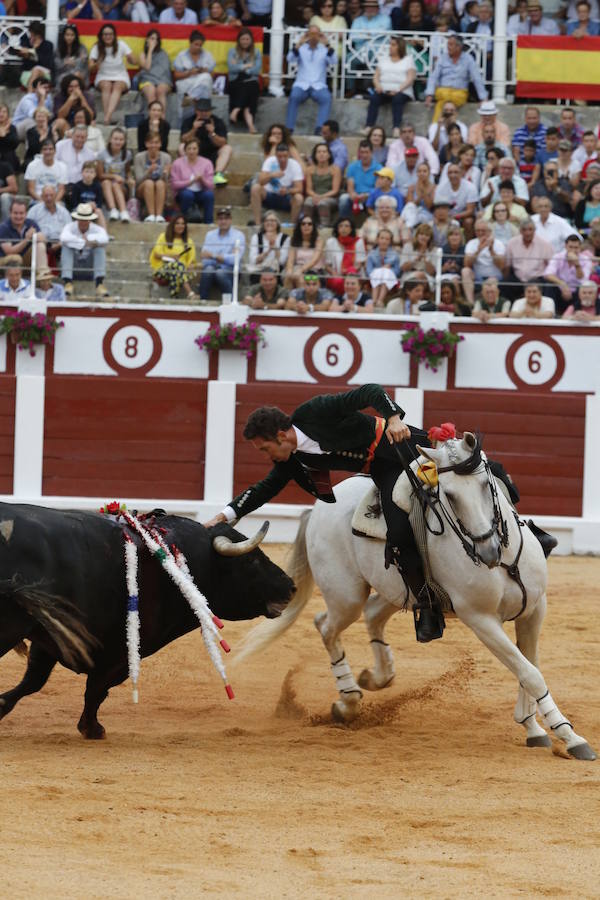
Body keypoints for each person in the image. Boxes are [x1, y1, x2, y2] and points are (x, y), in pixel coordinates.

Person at [202, 385, 447, 640]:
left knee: (474, 480)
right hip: (383, 470)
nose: (267, 456)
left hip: (404, 445)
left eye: (265, 449)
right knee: (397, 532)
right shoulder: (291, 460)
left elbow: (370, 392)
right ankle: (428, 606)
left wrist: (393, 418)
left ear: (280, 436)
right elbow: (264, 489)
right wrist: (224, 516)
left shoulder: (315, 411)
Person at [425, 33, 487, 122]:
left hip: (459, 93)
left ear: (459, 47)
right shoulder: (442, 58)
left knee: (443, 102)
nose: (448, 47)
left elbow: (476, 78)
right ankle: (449, 126)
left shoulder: (468, 59)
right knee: (445, 98)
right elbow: (433, 77)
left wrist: (483, 98)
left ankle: (436, 126)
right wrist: (429, 94)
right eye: (448, 44)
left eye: (451, 45)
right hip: (443, 91)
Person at [285, 27, 335, 136]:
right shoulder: (301, 48)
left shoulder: (324, 49)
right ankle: (289, 129)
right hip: (302, 84)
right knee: (293, 97)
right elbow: (290, 59)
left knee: (326, 98)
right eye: (311, 34)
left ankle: (320, 128)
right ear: (307, 35)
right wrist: (299, 43)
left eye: (316, 34)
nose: (313, 36)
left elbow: (334, 61)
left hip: (319, 85)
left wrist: (327, 44)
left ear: (320, 35)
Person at [364, 36, 416, 138]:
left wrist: (398, 89)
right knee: (374, 98)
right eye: (390, 45)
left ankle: (396, 128)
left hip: (402, 90)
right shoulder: (383, 59)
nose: (390, 47)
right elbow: (376, 76)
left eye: (393, 45)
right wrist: (378, 86)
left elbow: (410, 78)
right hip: (384, 89)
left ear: (400, 47)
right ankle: (369, 127)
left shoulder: (408, 60)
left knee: (397, 99)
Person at [60, 202, 109, 299]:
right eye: (81, 219)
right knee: (66, 247)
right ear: (77, 219)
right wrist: (81, 241)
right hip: (74, 265)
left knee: (99, 247)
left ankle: (99, 283)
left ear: (90, 220)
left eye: (86, 219)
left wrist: (90, 240)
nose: (83, 222)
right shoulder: (70, 226)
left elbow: (105, 239)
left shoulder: (96, 229)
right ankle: (68, 282)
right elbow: (63, 238)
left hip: (90, 267)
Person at [89, 24, 136, 126]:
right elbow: (90, 68)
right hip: (103, 76)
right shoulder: (97, 47)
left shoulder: (121, 44)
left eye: (110, 34)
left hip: (120, 75)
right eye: (105, 34)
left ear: (114, 35)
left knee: (117, 86)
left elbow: (134, 61)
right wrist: (98, 63)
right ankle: (107, 117)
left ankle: (107, 117)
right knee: (107, 86)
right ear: (101, 36)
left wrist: (130, 59)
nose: (108, 37)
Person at [250, 143, 304, 227]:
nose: (282, 159)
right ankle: (257, 223)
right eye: (279, 156)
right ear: (276, 155)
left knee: (299, 198)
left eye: (285, 156)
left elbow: (299, 188)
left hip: (286, 197)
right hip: (269, 195)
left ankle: (293, 225)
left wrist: (287, 191)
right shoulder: (270, 161)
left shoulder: (294, 165)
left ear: (289, 155)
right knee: (255, 188)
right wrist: (271, 175)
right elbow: (261, 181)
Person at [180, 99, 232, 187]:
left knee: (227, 148)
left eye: (206, 111)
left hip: (213, 156)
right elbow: (183, 140)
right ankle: (189, 172)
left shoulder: (218, 121)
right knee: (181, 147)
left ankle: (217, 175)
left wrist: (212, 133)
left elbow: (223, 142)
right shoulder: (189, 121)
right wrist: (194, 129)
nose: (204, 113)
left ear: (210, 111)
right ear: (196, 111)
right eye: (201, 111)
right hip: (194, 155)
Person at [199, 207, 246, 299]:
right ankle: (203, 300)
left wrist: (213, 255)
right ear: (217, 221)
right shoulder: (210, 235)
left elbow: (235, 259)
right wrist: (224, 258)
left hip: (230, 270)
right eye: (220, 219)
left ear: (231, 220)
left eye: (226, 218)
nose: (223, 221)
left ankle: (230, 300)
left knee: (220, 272)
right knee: (208, 270)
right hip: (212, 268)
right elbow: (204, 258)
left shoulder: (239, 235)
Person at [150, 214, 198, 300]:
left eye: (183, 224)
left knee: (177, 269)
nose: (180, 226)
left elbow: (191, 260)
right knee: (177, 266)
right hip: (163, 269)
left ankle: (174, 297)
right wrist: (171, 256)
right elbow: (156, 254)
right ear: (172, 225)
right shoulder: (163, 237)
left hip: (181, 270)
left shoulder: (189, 241)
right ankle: (190, 293)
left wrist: (190, 265)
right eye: (177, 223)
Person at [503, 218, 554, 299]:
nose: (527, 233)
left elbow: (551, 266)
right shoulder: (512, 243)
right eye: (524, 230)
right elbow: (507, 265)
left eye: (530, 229)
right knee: (505, 283)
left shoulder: (544, 244)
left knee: (549, 285)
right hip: (518, 279)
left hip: (537, 279)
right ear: (520, 231)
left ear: (534, 230)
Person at [543, 232, 593, 313]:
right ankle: (549, 313)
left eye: (576, 247)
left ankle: (577, 314)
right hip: (560, 289)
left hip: (576, 291)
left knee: (584, 289)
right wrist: (562, 284)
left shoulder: (586, 259)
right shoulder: (557, 256)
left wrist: (577, 264)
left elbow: (583, 280)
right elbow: (548, 274)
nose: (573, 250)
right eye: (571, 247)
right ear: (565, 246)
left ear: (580, 248)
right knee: (549, 285)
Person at [461, 219, 505, 307]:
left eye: (483, 231)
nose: (480, 233)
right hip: (478, 277)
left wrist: (491, 250)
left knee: (490, 281)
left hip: (495, 277)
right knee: (465, 271)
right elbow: (467, 264)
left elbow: (502, 266)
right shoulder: (471, 243)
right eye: (478, 231)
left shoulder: (498, 244)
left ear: (489, 231)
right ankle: (471, 304)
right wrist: (479, 250)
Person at [170, 137, 215, 224]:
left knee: (209, 195)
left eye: (194, 148)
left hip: (200, 191)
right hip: (183, 192)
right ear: (185, 150)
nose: (191, 151)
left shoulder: (207, 163)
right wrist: (191, 181)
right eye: (189, 149)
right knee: (187, 195)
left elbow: (211, 185)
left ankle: (209, 222)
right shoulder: (177, 163)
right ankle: (182, 220)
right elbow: (174, 184)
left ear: (198, 150)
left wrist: (202, 179)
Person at [227, 28, 262, 135]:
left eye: (247, 39)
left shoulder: (256, 52)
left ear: (251, 40)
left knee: (251, 86)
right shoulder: (232, 51)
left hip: (251, 81)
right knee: (247, 89)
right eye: (243, 39)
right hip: (236, 81)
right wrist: (247, 66)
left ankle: (236, 110)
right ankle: (250, 124)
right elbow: (231, 68)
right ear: (239, 40)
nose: (245, 41)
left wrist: (239, 66)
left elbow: (256, 70)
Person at [28, 184, 73, 262]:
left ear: (55, 195)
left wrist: (59, 244)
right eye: (46, 196)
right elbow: (28, 229)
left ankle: (66, 274)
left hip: (60, 243)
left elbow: (70, 231)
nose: (49, 198)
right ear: (41, 197)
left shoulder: (64, 212)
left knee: (68, 246)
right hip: (40, 243)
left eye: (51, 195)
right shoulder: (34, 211)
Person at [98, 127, 133, 223]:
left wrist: (129, 178)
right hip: (106, 186)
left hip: (121, 185)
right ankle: (113, 209)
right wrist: (113, 176)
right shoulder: (102, 154)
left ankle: (123, 211)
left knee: (116, 184)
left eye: (121, 139)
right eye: (115, 139)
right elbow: (100, 175)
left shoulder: (127, 154)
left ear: (124, 141)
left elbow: (128, 171)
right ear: (110, 139)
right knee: (107, 182)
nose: (118, 142)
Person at [0, 198, 47, 269]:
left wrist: (34, 236)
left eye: (21, 213)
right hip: (5, 260)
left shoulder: (31, 223)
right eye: (15, 213)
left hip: (24, 258)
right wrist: (27, 239)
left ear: (26, 213)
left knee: (40, 245)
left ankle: (42, 274)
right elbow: (9, 252)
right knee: (16, 258)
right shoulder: (4, 227)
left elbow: (42, 238)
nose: (18, 216)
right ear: (10, 213)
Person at [134, 133, 171, 222]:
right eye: (151, 143)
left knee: (160, 183)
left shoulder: (166, 157)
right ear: (146, 144)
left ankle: (159, 215)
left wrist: (166, 173)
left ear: (160, 144)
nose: (153, 145)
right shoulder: (139, 157)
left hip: (160, 186)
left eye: (156, 142)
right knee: (149, 183)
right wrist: (148, 172)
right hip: (143, 187)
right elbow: (138, 180)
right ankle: (151, 215)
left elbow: (166, 181)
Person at [324, 217, 366, 295]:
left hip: (354, 274)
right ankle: (344, 298)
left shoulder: (358, 241)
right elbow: (327, 265)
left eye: (347, 226)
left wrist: (348, 274)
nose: (344, 228)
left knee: (351, 281)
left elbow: (359, 264)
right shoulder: (331, 242)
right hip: (336, 274)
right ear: (337, 228)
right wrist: (335, 274)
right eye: (341, 226)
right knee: (338, 281)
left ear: (351, 229)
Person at [433, 163, 477, 238]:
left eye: (456, 172)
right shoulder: (441, 187)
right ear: (447, 174)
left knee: (468, 222)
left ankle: (467, 246)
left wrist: (454, 217)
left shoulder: (470, 187)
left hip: (464, 216)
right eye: (450, 172)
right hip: (446, 215)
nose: (453, 175)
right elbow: (437, 208)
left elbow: (470, 210)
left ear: (461, 173)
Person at [303, 143, 342, 226]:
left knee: (323, 203)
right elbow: (308, 189)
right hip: (314, 195)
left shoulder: (335, 170)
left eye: (324, 152)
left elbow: (335, 190)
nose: (321, 154)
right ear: (315, 155)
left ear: (329, 155)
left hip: (331, 197)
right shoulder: (309, 170)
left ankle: (325, 226)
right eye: (319, 152)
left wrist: (321, 197)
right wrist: (315, 196)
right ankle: (307, 224)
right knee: (308, 202)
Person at [338, 140, 379, 219]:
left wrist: (367, 195)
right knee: (343, 198)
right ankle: (343, 222)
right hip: (355, 196)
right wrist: (353, 194)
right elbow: (350, 186)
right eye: (362, 152)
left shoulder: (378, 168)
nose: (364, 155)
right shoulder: (352, 167)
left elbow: (377, 188)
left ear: (371, 153)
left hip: (370, 196)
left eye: (367, 152)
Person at [55, 125, 97, 201]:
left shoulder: (90, 154)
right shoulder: (60, 146)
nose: (79, 139)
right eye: (77, 136)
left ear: (86, 138)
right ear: (72, 135)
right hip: (61, 184)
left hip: (80, 187)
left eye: (82, 137)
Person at [173, 31, 215, 104]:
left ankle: (190, 98)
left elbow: (212, 75)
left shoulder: (208, 55)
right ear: (190, 43)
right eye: (196, 44)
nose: (198, 47)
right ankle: (196, 101)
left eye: (200, 45)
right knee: (204, 85)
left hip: (202, 83)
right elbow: (176, 75)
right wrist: (189, 73)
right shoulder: (181, 55)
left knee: (206, 77)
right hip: (186, 83)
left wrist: (205, 71)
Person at [284, 214, 324, 289]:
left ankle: (301, 300)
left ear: (313, 227)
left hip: (315, 271)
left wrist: (301, 270)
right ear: (299, 227)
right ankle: (288, 299)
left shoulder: (318, 240)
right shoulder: (294, 240)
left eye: (309, 224)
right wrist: (289, 271)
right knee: (288, 277)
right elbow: (290, 260)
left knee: (301, 278)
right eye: (303, 224)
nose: (306, 226)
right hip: (298, 267)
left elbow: (314, 260)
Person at [138, 29, 172, 114]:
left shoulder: (163, 54)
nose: (154, 41)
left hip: (163, 79)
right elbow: (147, 67)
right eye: (152, 38)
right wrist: (150, 50)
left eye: (156, 39)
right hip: (147, 79)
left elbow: (164, 70)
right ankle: (152, 119)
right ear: (147, 40)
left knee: (160, 90)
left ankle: (162, 120)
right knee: (151, 91)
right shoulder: (142, 54)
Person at [24, 139, 67, 205]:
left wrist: (53, 203)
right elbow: (31, 189)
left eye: (50, 149)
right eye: (45, 149)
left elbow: (61, 190)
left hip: (55, 201)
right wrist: (43, 202)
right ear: (41, 151)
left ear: (55, 151)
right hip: (37, 200)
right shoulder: (32, 165)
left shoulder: (62, 167)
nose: (48, 152)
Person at [247, 212, 290, 277]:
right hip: (259, 270)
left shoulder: (285, 238)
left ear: (277, 223)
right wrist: (268, 251)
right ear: (263, 223)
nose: (269, 223)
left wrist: (275, 248)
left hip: (277, 272)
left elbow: (282, 261)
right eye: (267, 220)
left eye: (272, 221)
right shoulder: (256, 237)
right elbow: (253, 260)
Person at [366, 228, 401, 307]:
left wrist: (387, 269)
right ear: (377, 239)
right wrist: (380, 270)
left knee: (386, 272)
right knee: (379, 272)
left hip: (389, 277)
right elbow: (369, 271)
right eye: (382, 238)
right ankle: (374, 300)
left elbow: (397, 271)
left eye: (387, 239)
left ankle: (379, 300)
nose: (384, 241)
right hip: (375, 276)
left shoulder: (395, 255)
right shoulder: (371, 254)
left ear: (390, 242)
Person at [12, 77, 53, 141]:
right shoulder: (27, 99)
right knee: (34, 122)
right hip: (18, 129)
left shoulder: (48, 97)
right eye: (44, 87)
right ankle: (32, 148)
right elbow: (37, 116)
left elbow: (49, 116)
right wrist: (42, 97)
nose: (47, 90)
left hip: (35, 126)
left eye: (48, 87)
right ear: (35, 89)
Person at [70, 160, 107, 230]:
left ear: (95, 174)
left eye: (91, 172)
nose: (89, 174)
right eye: (86, 171)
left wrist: (94, 206)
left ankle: (104, 232)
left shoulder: (97, 186)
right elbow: (74, 203)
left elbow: (99, 203)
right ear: (82, 173)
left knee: (99, 211)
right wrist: (86, 206)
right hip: (79, 210)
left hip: (92, 210)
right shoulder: (77, 186)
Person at [0, 104, 20, 174]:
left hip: (9, 158)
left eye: (4, 112)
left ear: (8, 114)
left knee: (9, 154)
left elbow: (15, 143)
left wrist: (3, 135)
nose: (1, 114)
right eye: (0, 111)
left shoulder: (12, 128)